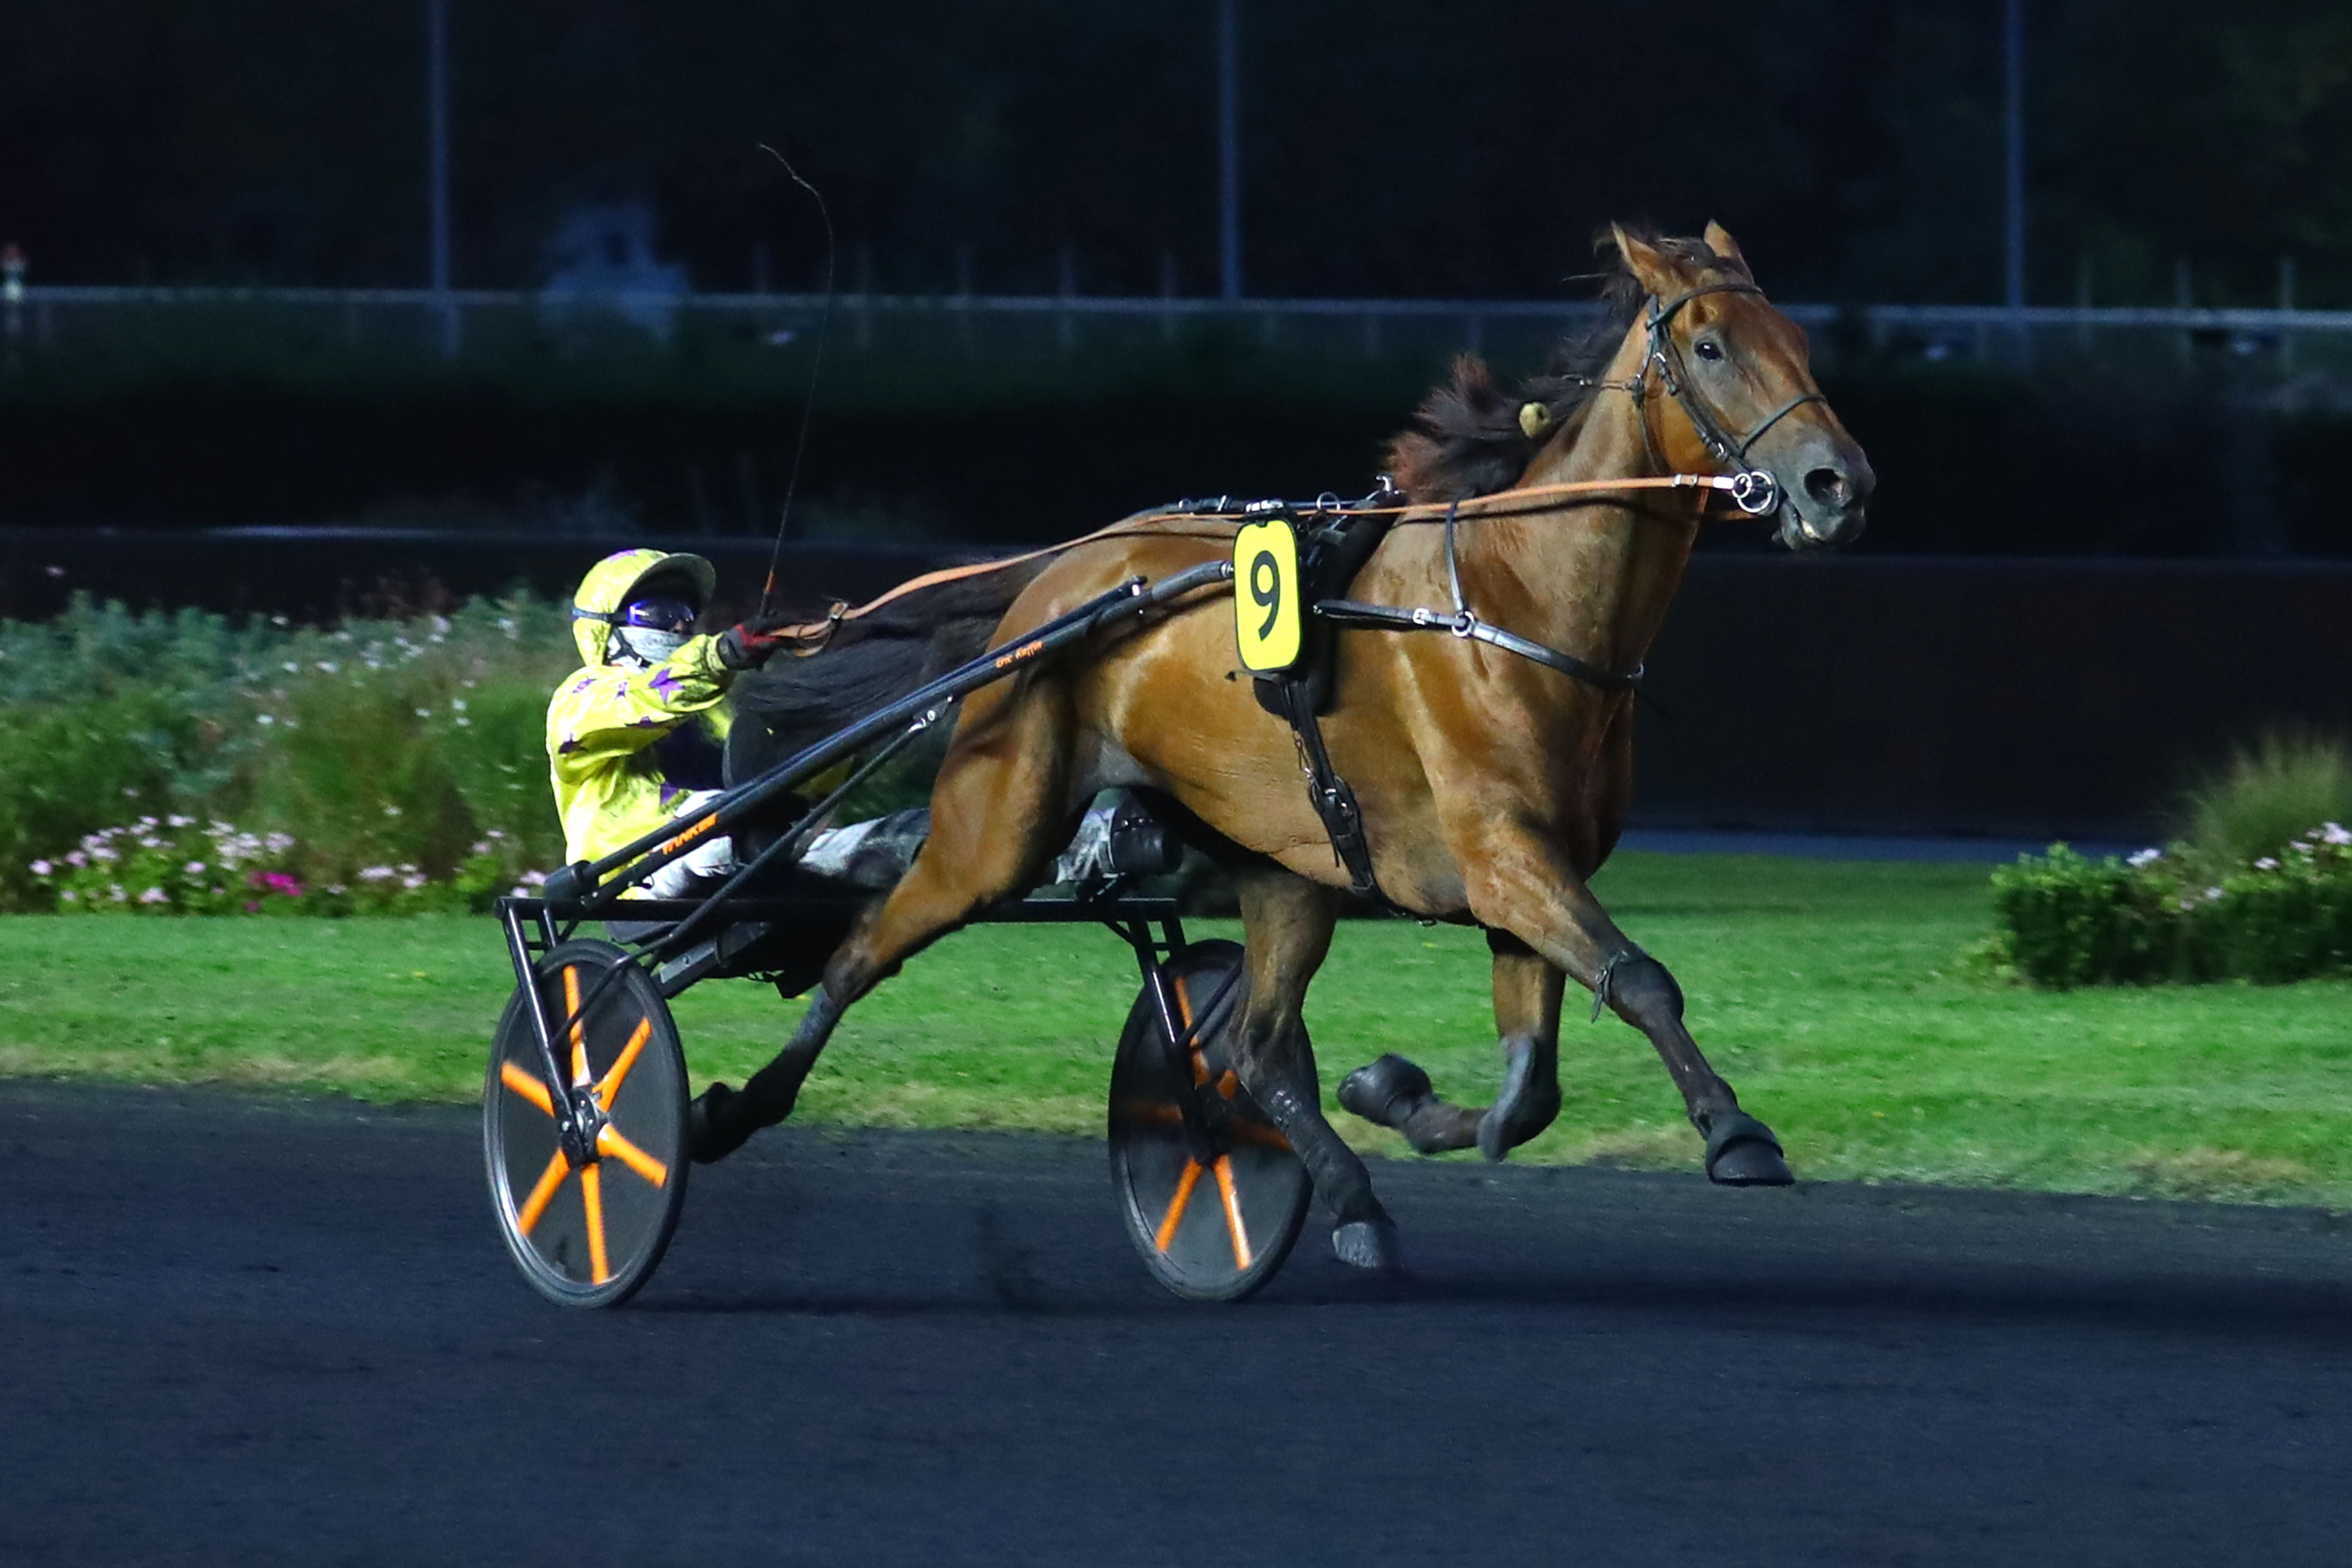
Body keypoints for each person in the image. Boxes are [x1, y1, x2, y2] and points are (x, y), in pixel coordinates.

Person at [549, 548, 790, 897]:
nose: (680, 625)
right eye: (658, 613)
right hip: (633, 872)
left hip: (728, 842)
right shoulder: (582, 697)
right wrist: (718, 654)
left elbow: (781, 770)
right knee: (725, 813)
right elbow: (646, 699)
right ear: (607, 627)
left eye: (685, 614)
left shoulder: (714, 705)